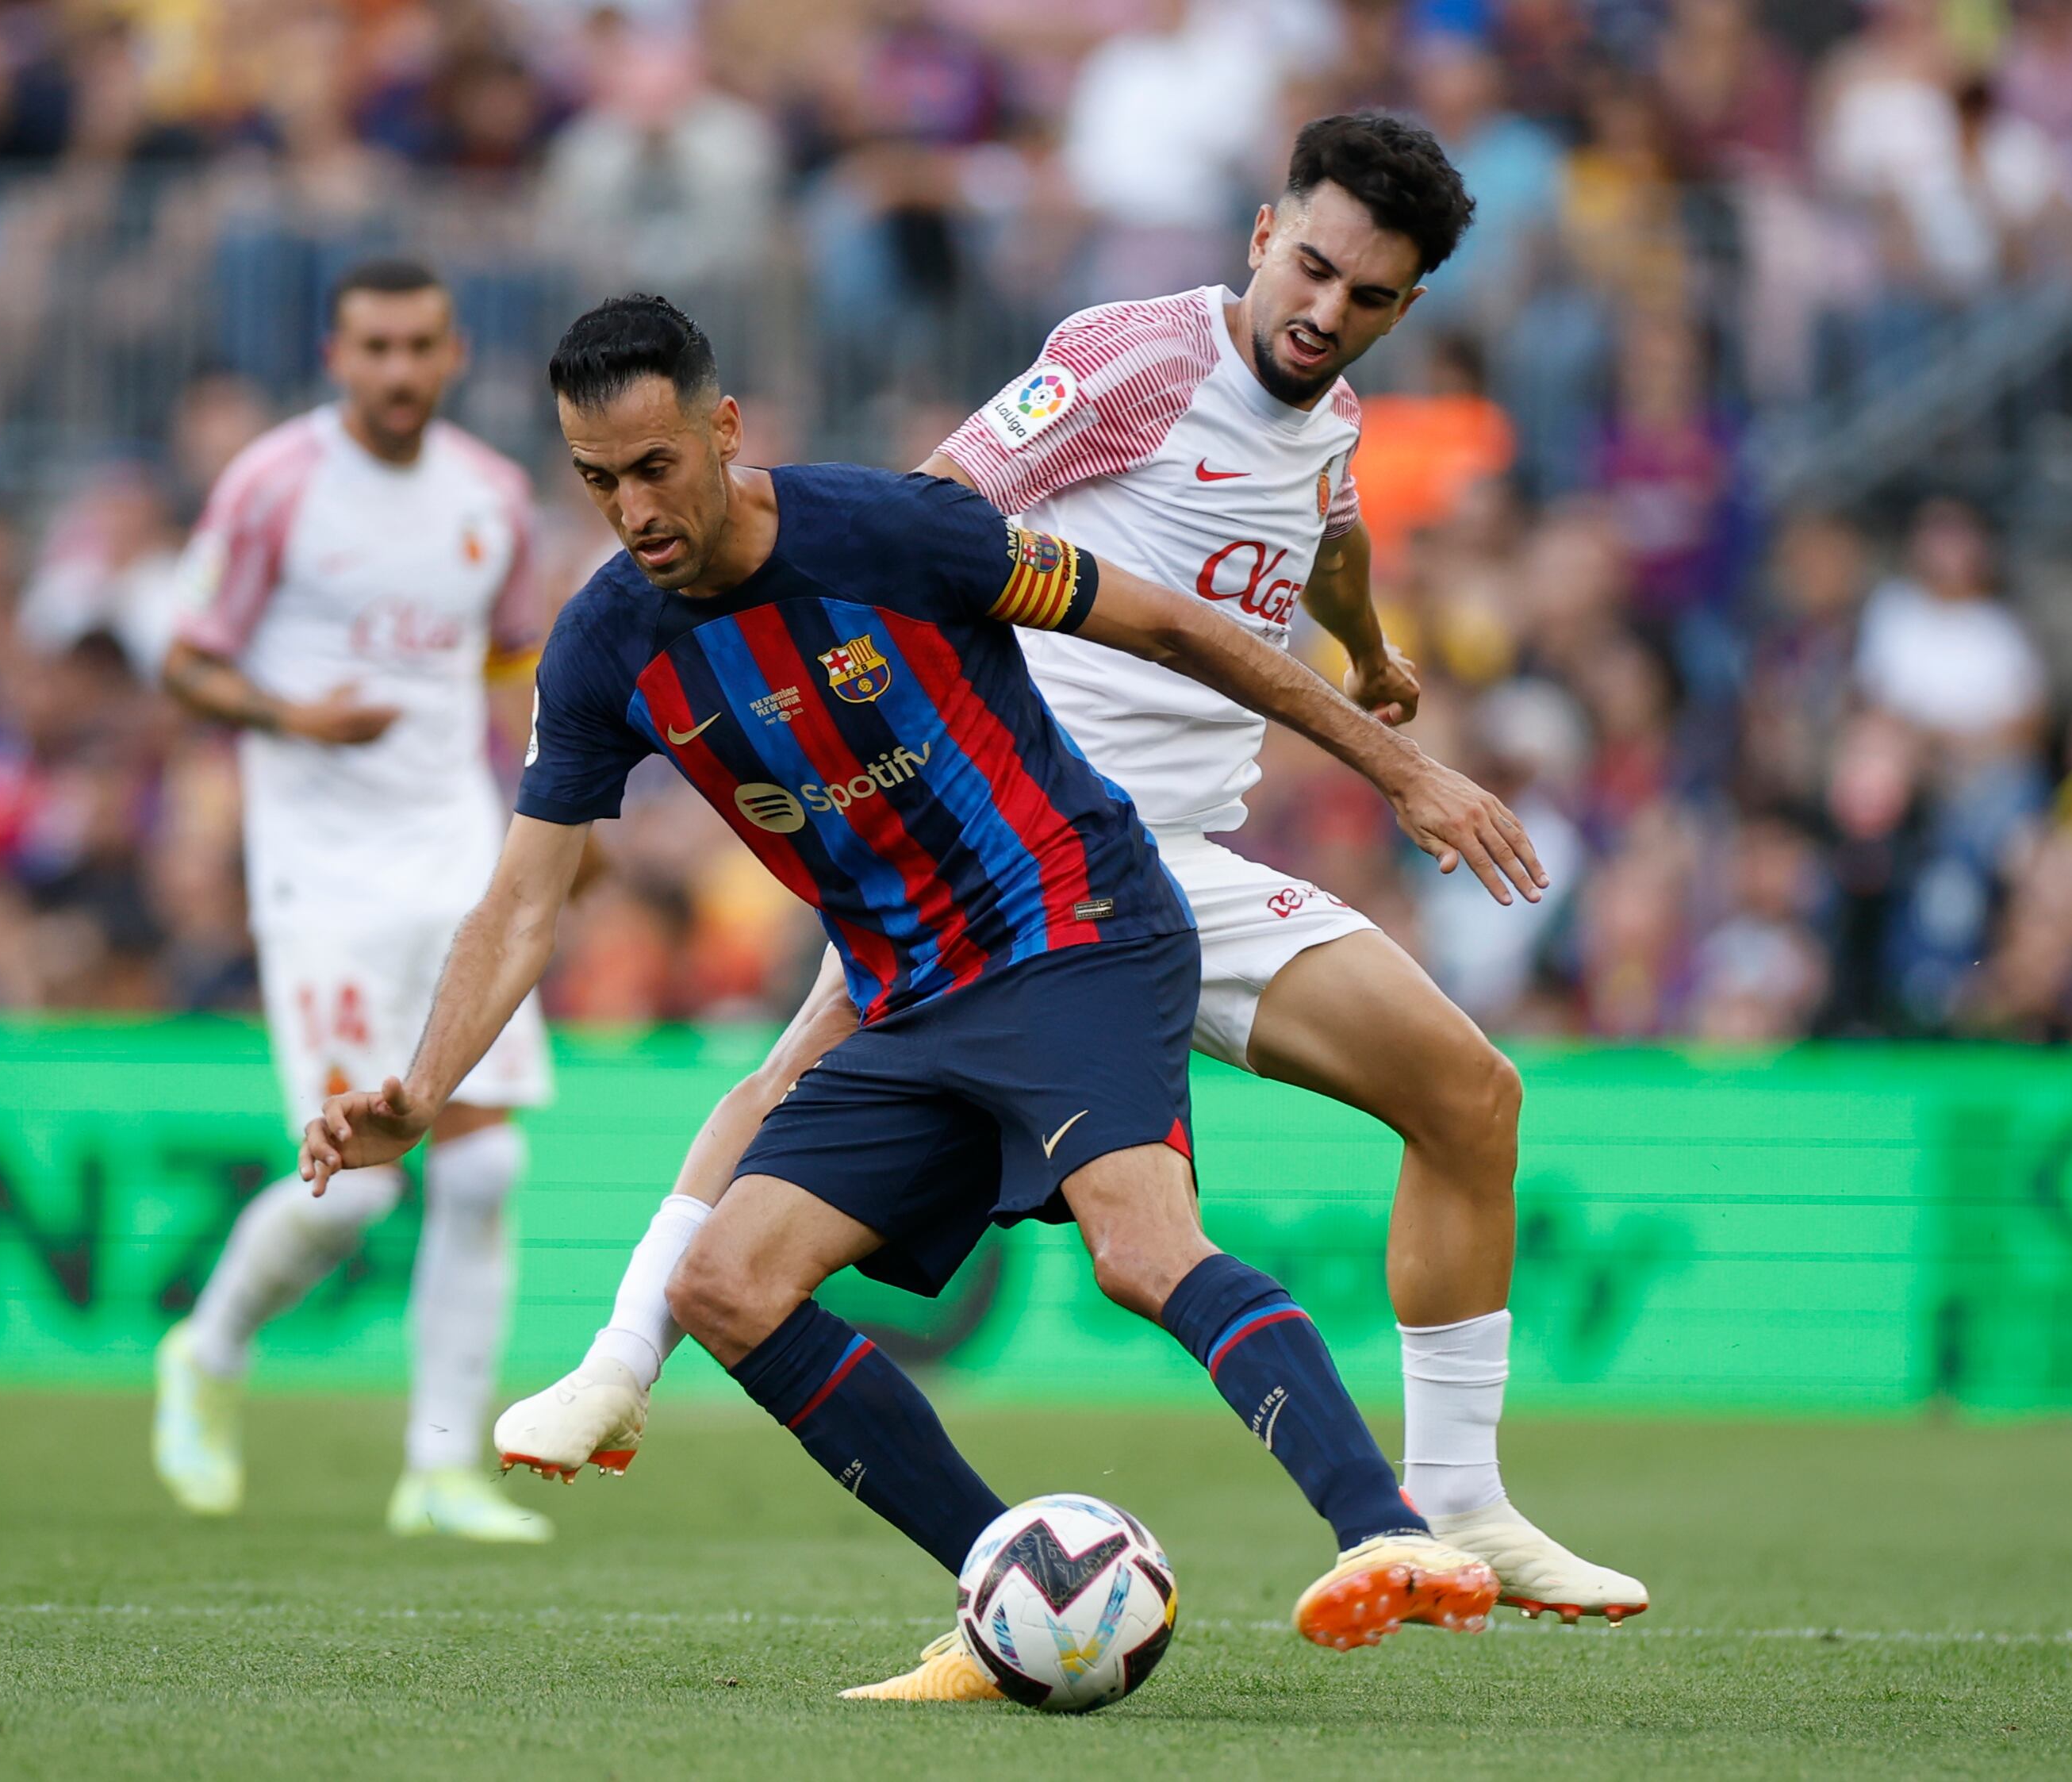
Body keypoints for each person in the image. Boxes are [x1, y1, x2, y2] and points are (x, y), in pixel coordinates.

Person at [495, 110, 1650, 1630]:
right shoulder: (1129, 359)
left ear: (1402, 306)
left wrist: (1370, 654)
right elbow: (921, 507)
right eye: (1307, 268)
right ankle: (620, 1360)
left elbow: (1329, 533)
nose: (1321, 311)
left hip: (1178, 871)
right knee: (788, 1089)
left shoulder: (1335, 415)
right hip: (1011, 841)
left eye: (1364, 296)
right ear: (1259, 234)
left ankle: (1460, 1505)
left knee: (1468, 1096)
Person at [301, 294, 1549, 1696]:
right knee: (726, 1284)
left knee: (1141, 1250)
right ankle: (1006, 1583)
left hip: (1075, 923)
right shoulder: (605, 648)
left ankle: (1387, 1533)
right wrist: (422, 1088)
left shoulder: (890, 532)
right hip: (914, 997)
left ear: (723, 430)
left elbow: (1167, 627)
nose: (633, 508)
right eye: (597, 480)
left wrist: (1400, 770)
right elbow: (524, 897)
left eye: (655, 466)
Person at [149, 258, 556, 1542]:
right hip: (321, 880)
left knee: (485, 1164)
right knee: (365, 1183)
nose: (395, 370)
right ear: (336, 354)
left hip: (452, 868)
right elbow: (183, 658)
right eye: (373, 346)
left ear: (451, 357)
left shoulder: (492, 500)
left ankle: (439, 1469)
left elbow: (506, 666)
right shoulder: (275, 484)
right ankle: (206, 1356)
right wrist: (294, 716)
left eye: (418, 346)